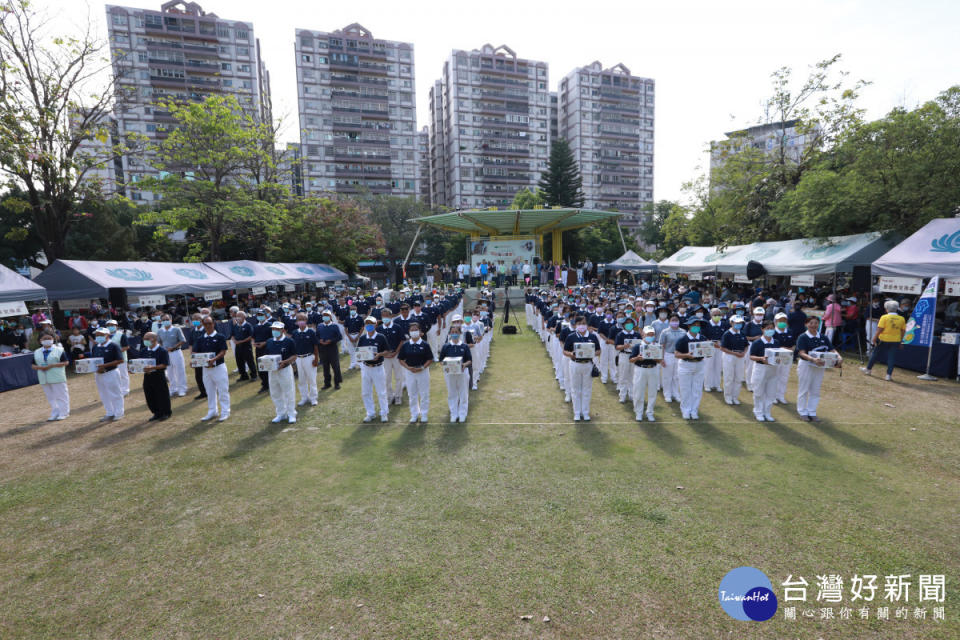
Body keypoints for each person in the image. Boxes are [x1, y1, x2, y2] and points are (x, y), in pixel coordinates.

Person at [796, 316, 842, 422]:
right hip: (806, 366)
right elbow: (801, 353)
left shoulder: (823, 337)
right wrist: (812, 359)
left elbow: (832, 349)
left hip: (820, 366)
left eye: (816, 323)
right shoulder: (802, 337)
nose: (813, 325)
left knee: (815, 390)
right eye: (811, 323)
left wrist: (839, 357)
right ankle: (802, 411)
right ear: (806, 324)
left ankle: (812, 412)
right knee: (804, 390)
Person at [563, 315, 601, 421]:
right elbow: (565, 351)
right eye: (579, 324)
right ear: (575, 325)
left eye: (584, 323)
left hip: (588, 364)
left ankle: (585, 412)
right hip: (575, 364)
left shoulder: (593, 337)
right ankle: (577, 413)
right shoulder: (571, 336)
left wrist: (591, 352)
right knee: (575, 389)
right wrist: (571, 354)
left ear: (587, 325)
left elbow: (599, 351)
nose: (582, 326)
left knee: (586, 389)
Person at [195, 315, 230, 422]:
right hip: (206, 369)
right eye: (205, 324)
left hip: (218, 367)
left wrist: (214, 359)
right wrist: (194, 361)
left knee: (222, 390)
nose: (208, 325)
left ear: (213, 324)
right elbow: (196, 352)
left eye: (210, 323)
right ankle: (212, 411)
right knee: (209, 391)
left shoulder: (220, 337)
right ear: (203, 325)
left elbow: (223, 351)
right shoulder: (200, 338)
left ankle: (225, 411)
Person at [397, 321, 434, 423]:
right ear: (409, 332)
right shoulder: (406, 345)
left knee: (424, 394)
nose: (414, 332)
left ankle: (424, 414)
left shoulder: (425, 344)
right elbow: (400, 359)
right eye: (412, 330)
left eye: (416, 330)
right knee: (412, 394)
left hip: (422, 372)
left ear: (420, 331)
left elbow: (430, 359)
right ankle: (414, 414)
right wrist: (408, 368)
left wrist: (422, 368)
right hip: (410, 372)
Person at [673, 317, 709, 420]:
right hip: (686, 365)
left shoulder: (702, 338)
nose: (696, 327)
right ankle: (685, 410)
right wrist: (687, 355)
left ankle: (694, 410)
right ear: (689, 326)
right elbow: (676, 354)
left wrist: (708, 353)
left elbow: (707, 351)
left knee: (697, 389)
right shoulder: (683, 339)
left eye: (698, 325)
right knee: (686, 389)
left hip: (699, 364)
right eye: (694, 325)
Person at [861, 300, 905, 381]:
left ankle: (868, 369)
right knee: (891, 358)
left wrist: (874, 338)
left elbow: (879, 329)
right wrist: (901, 341)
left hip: (883, 339)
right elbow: (903, 331)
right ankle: (888, 375)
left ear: (887, 309)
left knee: (875, 354)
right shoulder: (901, 319)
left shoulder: (884, 317)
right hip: (895, 340)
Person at [357, 316, 390, 423]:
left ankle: (384, 413)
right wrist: (360, 357)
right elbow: (359, 352)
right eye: (367, 324)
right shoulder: (362, 338)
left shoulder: (381, 337)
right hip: (366, 367)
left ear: (375, 325)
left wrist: (379, 354)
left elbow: (387, 351)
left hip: (378, 367)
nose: (368, 326)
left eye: (371, 324)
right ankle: (370, 413)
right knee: (366, 392)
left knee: (381, 392)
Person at [264, 321, 298, 424]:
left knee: (288, 392)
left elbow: (294, 356)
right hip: (272, 371)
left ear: (282, 330)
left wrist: (285, 362)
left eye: (277, 329)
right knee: (275, 393)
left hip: (285, 370)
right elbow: (267, 356)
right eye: (273, 329)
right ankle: (281, 413)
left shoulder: (289, 341)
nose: (274, 331)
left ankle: (291, 414)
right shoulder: (269, 341)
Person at [629, 326, 664, 422]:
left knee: (653, 392)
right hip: (640, 369)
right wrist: (637, 358)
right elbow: (631, 360)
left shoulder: (656, 346)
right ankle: (638, 412)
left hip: (653, 369)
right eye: (649, 334)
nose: (650, 336)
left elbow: (660, 360)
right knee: (638, 391)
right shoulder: (637, 346)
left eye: (652, 334)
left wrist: (653, 357)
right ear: (643, 334)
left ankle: (650, 412)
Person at [438, 324, 472, 422]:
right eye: (452, 332)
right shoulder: (446, 346)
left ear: (460, 333)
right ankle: (454, 413)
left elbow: (469, 360)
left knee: (463, 393)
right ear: (450, 334)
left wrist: (464, 365)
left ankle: (462, 414)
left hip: (462, 373)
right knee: (452, 393)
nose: (454, 334)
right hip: (449, 374)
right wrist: (447, 365)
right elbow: (441, 360)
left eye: (456, 332)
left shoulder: (464, 346)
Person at [32, 332, 70, 421]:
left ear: (53, 339)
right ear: (40, 341)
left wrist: (51, 366)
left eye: (49, 338)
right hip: (43, 377)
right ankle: (55, 412)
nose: (47, 340)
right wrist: (39, 367)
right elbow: (33, 365)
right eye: (44, 339)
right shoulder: (37, 352)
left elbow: (66, 362)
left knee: (61, 395)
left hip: (57, 376)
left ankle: (64, 412)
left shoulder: (59, 350)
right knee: (50, 397)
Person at [91, 327, 125, 421]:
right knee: (104, 394)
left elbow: (120, 360)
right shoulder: (95, 347)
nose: (98, 337)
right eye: (97, 335)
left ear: (107, 335)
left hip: (111, 372)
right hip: (99, 374)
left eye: (100, 335)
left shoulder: (114, 346)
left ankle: (119, 413)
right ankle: (109, 413)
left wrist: (105, 365)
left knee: (115, 393)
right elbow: (93, 361)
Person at [749, 320, 779, 422]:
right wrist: (761, 358)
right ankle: (758, 412)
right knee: (758, 391)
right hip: (760, 368)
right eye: (767, 329)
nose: (770, 330)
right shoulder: (757, 342)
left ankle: (767, 412)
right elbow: (752, 356)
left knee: (771, 392)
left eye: (772, 328)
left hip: (773, 369)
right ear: (762, 329)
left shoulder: (776, 342)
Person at [138, 331, 171, 421]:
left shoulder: (162, 350)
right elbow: (140, 364)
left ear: (154, 339)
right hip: (147, 377)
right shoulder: (143, 351)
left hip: (159, 376)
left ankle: (165, 412)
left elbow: (164, 364)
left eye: (147, 339)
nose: (145, 341)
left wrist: (153, 367)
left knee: (162, 395)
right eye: (144, 339)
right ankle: (156, 413)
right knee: (149, 395)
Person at [291, 312, 320, 406]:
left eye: (303, 319)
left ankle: (313, 398)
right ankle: (304, 397)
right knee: (301, 380)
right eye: (299, 320)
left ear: (306, 321)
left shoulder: (311, 332)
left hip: (309, 357)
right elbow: (293, 347)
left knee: (311, 379)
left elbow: (315, 346)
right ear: (296, 322)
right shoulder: (295, 333)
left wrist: (316, 359)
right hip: (299, 359)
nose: (301, 321)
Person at [719, 314, 748, 405]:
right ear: (731, 323)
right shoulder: (727, 334)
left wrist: (744, 352)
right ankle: (728, 396)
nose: (739, 324)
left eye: (740, 323)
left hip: (740, 356)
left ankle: (735, 397)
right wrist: (734, 353)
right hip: (729, 356)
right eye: (737, 323)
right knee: (729, 377)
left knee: (738, 377)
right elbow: (722, 348)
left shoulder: (742, 333)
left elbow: (746, 345)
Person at [657, 314, 686, 403]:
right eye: (672, 320)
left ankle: (676, 394)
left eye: (676, 320)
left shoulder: (683, 332)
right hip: (668, 355)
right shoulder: (665, 332)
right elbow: (662, 345)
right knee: (667, 376)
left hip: (679, 356)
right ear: (669, 322)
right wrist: (661, 358)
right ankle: (667, 394)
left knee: (677, 376)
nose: (674, 322)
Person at [157, 314, 187, 397]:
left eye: (167, 319)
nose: (165, 321)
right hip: (166, 354)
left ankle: (182, 389)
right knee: (169, 372)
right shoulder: (160, 331)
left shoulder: (176, 329)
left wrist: (173, 347)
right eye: (163, 320)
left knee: (180, 371)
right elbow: (158, 341)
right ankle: (173, 389)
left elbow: (182, 340)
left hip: (176, 352)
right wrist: (162, 348)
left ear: (171, 320)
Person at [771, 312, 795, 405]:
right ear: (775, 321)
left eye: (784, 320)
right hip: (776, 357)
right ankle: (772, 396)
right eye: (780, 320)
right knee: (775, 376)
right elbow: (774, 345)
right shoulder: (773, 332)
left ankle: (781, 395)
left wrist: (791, 348)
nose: (782, 322)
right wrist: (784, 349)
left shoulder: (790, 331)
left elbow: (793, 343)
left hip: (787, 357)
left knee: (784, 377)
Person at [315, 310, 342, 390]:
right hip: (322, 349)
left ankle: (337, 383)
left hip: (332, 348)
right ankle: (327, 383)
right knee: (325, 367)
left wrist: (331, 340)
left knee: (335, 366)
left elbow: (339, 337)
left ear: (330, 317)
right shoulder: (319, 326)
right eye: (324, 315)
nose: (325, 317)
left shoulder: (334, 326)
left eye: (327, 315)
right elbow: (316, 336)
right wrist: (319, 340)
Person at [702, 306, 726, 392]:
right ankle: (707, 384)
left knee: (718, 366)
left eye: (719, 315)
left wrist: (720, 343)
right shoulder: (706, 324)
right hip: (709, 346)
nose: (717, 316)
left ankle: (717, 384)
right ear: (711, 315)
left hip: (720, 347)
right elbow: (703, 336)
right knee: (708, 366)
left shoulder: (723, 324)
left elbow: (725, 336)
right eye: (715, 314)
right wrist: (711, 343)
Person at [105, 319, 131, 397]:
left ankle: (125, 390)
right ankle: (117, 390)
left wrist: (116, 352)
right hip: (110, 360)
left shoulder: (121, 335)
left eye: (112, 325)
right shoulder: (105, 336)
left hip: (121, 358)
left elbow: (126, 347)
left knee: (123, 375)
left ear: (116, 326)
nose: (110, 327)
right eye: (109, 326)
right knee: (113, 375)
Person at [231, 311, 257, 382]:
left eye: (239, 316)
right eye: (237, 316)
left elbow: (250, 336)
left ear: (244, 317)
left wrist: (241, 341)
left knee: (249, 361)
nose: (238, 318)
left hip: (246, 346)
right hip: (238, 346)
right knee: (239, 361)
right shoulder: (236, 326)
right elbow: (232, 334)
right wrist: (234, 340)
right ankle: (243, 375)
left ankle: (254, 375)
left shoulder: (248, 325)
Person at [252, 308, 273, 394]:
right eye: (258, 316)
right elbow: (253, 337)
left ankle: (271, 384)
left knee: (268, 366)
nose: (260, 317)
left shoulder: (269, 325)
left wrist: (264, 343)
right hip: (258, 349)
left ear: (265, 316)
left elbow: (272, 337)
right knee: (260, 367)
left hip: (267, 348)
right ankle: (264, 384)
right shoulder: (256, 326)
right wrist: (254, 343)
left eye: (261, 315)